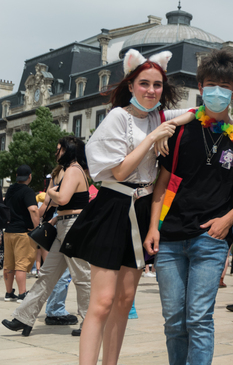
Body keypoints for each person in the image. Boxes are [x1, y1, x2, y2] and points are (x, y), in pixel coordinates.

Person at [60, 49, 191, 365]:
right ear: (131, 85)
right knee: (102, 301)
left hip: (142, 208)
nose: (151, 90)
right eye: (144, 83)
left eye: (157, 85)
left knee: (124, 300)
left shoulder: (158, 117)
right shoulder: (119, 117)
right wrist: (154, 138)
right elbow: (118, 171)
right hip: (114, 207)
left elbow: (194, 112)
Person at [144, 49, 233, 365]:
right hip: (171, 238)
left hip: (212, 239)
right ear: (201, 87)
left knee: (199, 317)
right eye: (211, 84)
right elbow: (161, 185)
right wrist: (153, 227)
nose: (217, 91)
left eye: (225, 85)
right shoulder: (179, 131)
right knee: (174, 320)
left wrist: (228, 219)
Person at [2, 136, 90, 337]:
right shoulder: (72, 170)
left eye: (59, 149)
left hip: (73, 226)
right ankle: (23, 317)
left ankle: (89, 323)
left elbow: (64, 198)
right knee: (46, 276)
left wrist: (51, 191)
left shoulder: (74, 170)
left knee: (82, 278)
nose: (56, 153)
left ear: (68, 150)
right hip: (65, 224)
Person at [3, 165, 38, 303]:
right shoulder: (27, 191)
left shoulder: (10, 190)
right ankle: (22, 294)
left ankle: (9, 293)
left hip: (8, 231)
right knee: (21, 265)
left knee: (9, 264)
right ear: (29, 176)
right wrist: (37, 228)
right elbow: (33, 210)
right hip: (23, 232)